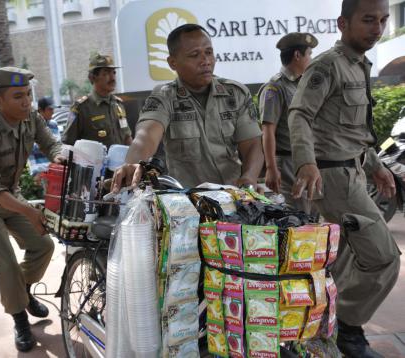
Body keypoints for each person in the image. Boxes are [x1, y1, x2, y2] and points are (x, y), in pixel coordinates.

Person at [288, 1, 400, 357]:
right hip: (334, 178)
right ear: (343, 22)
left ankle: (326, 325)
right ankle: (347, 329)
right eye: (369, 20)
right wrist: (306, 162)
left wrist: (376, 166)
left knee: (349, 259)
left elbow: (348, 133)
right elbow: (300, 115)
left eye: (383, 20)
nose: (378, 27)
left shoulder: (358, 64)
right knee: (384, 258)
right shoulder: (327, 66)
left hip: (353, 171)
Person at [0, 67, 64, 352]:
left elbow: (51, 143)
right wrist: (31, 212)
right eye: (18, 96)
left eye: (28, 94)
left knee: (43, 245)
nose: (27, 102)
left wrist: (61, 157)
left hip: (11, 194)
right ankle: (20, 319)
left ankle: (22, 291)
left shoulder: (30, 118)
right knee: (4, 263)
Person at [112, 23, 263, 191]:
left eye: (208, 52)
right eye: (194, 55)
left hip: (234, 197)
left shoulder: (235, 94)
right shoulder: (164, 96)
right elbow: (146, 135)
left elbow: (252, 145)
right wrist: (134, 163)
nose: (205, 61)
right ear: (173, 62)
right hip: (187, 205)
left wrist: (249, 177)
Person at [259, 32, 318, 213]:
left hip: (306, 158)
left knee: (312, 213)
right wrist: (271, 168)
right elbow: (268, 130)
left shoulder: (303, 84)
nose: (311, 58)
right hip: (286, 162)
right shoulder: (275, 87)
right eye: (309, 54)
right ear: (297, 55)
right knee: (297, 215)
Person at [61, 53, 132, 148]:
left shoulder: (118, 104)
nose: (112, 78)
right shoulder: (82, 108)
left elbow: (127, 137)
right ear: (92, 78)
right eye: (106, 73)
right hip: (93, 162)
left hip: (123, 162)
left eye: (114, 72)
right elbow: (67, 143)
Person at [28, 97, 60, 176]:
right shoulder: (31, 125)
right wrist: (35, 173)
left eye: (53, 109)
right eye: (50, 109)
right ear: (40, 110)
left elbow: (57, 144)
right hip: (39, 170)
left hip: (54, 169)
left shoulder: (54, 124)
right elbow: (31, 150)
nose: (53, 112)